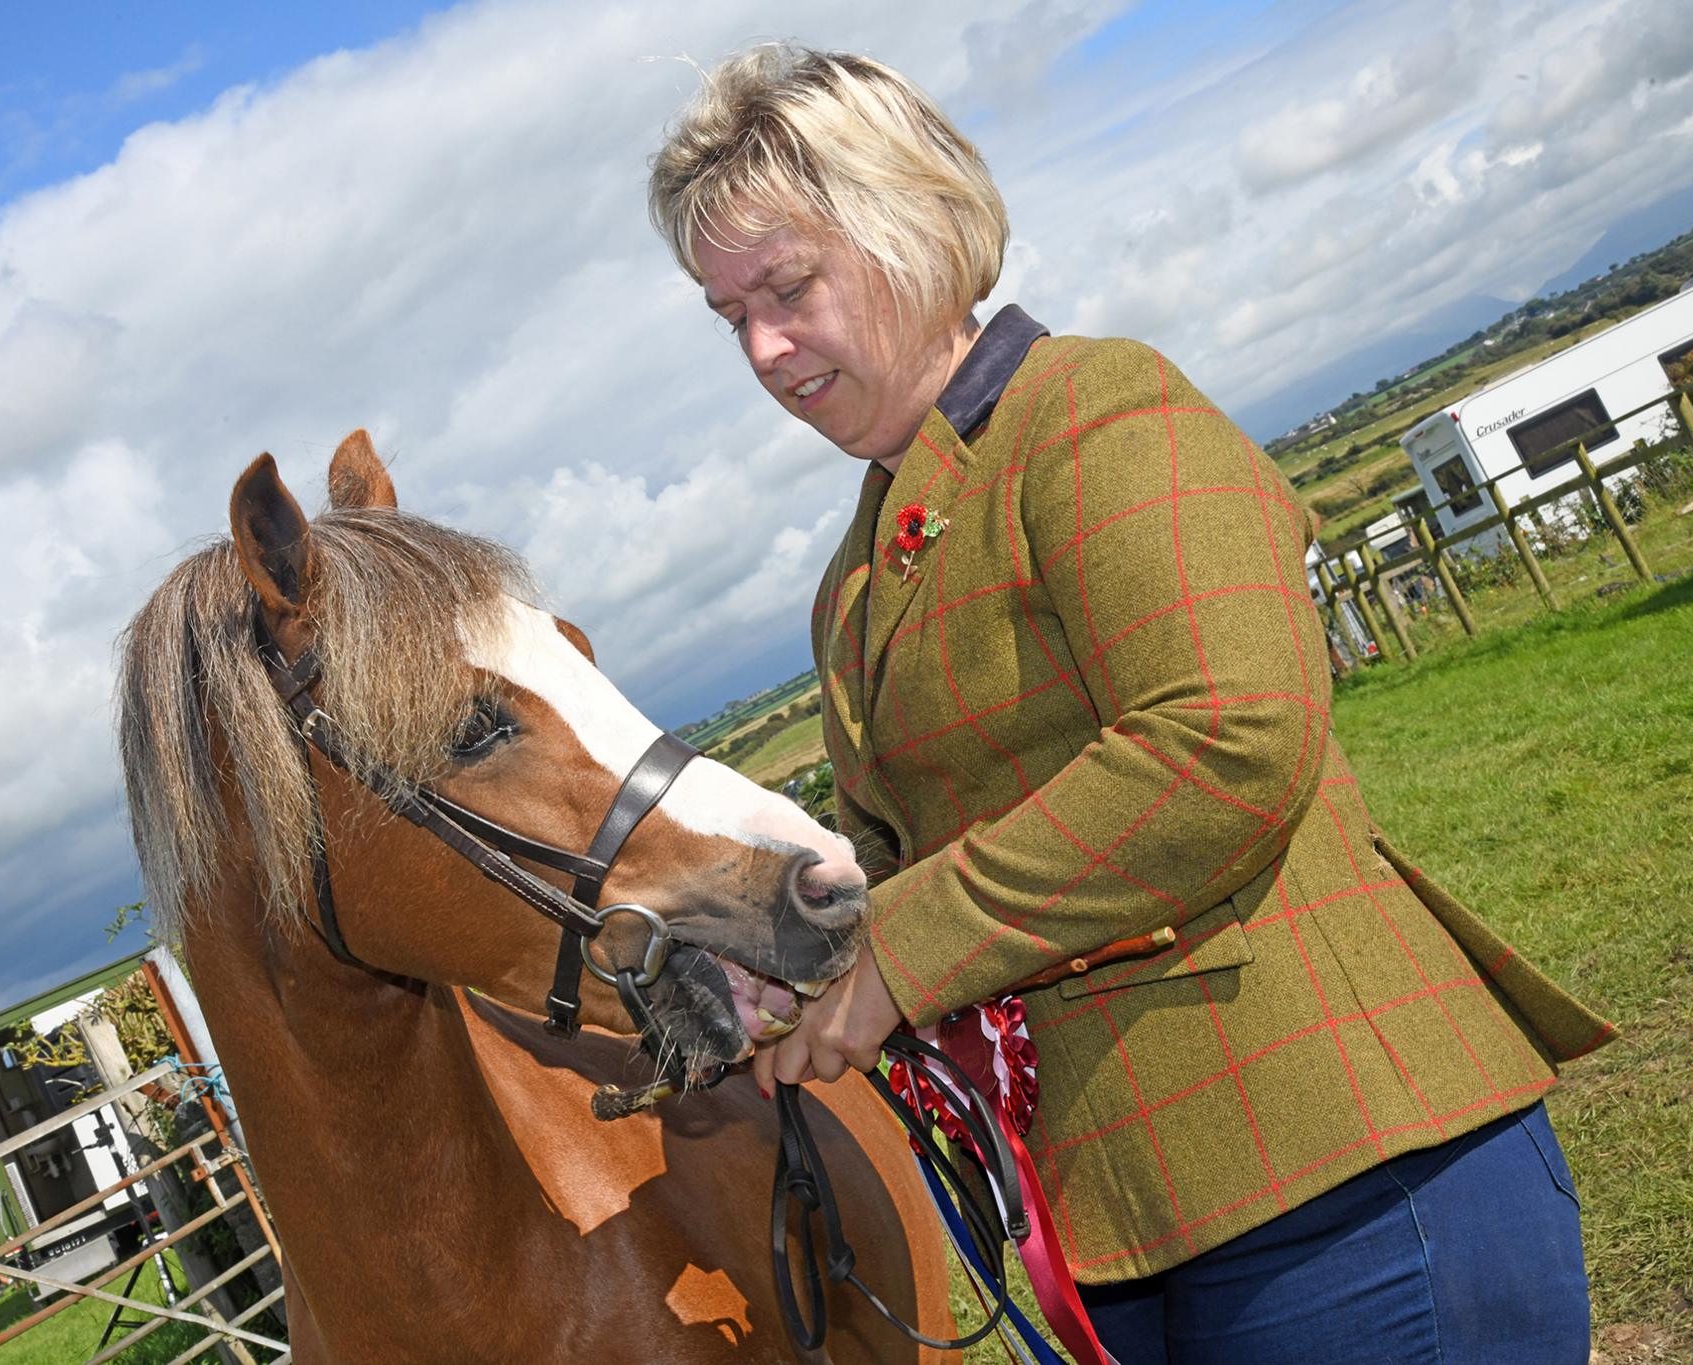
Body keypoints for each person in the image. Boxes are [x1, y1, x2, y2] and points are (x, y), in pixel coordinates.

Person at [649, 44, 1615, 1364]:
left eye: (789, 287)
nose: (763, 346)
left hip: (1341, 1178)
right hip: (1113, 1229)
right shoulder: (852, 580)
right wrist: (779, 957)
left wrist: (895, 951)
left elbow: (1228, 741)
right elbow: (909, 859)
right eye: (729, 314)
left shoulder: (1097, 410)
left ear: (908, 226)